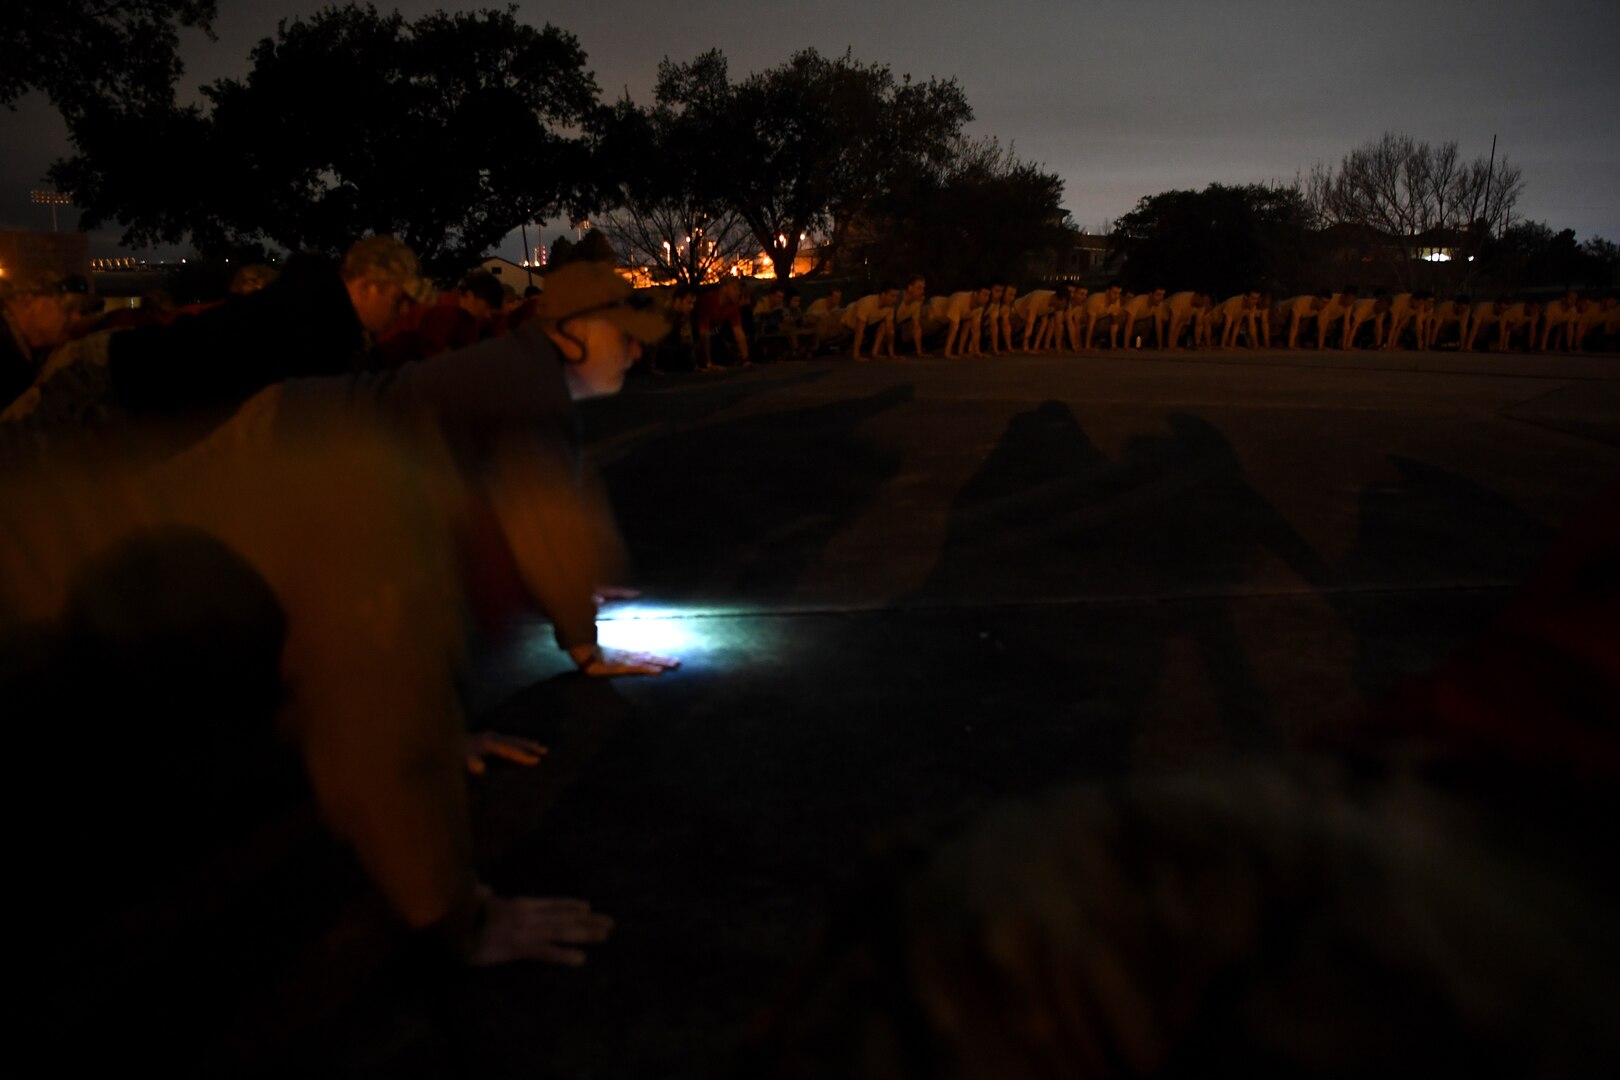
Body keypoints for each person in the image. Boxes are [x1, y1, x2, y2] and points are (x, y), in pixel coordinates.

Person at [1, 271, 85, 412]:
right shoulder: (5, 345)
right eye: (67, 308)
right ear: (29, 299)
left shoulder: (30, 362)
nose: (76, 318)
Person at [694, 278, 751, 370]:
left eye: (739, 290)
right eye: (735, 289)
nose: (738, 293)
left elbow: (738, 331)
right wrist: (708, 363)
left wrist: (746, 359)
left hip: (713, 334)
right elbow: (703, 333)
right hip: (696, 333)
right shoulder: (708, 300)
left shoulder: (733, 306)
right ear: (724, 288)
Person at [843, 284, 901, 361]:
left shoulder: (890, 307)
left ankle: (875, 353)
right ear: (883, 294)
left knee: (883, 326)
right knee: (860, 330)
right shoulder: (867, 303)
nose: (895, 299)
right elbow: (859, 330)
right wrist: (856, 356)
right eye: (892, 296)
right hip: (847, 323)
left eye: (897, 297)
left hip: (867, 323)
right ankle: (856, 353)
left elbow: (890, 331)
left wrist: (892, 354)